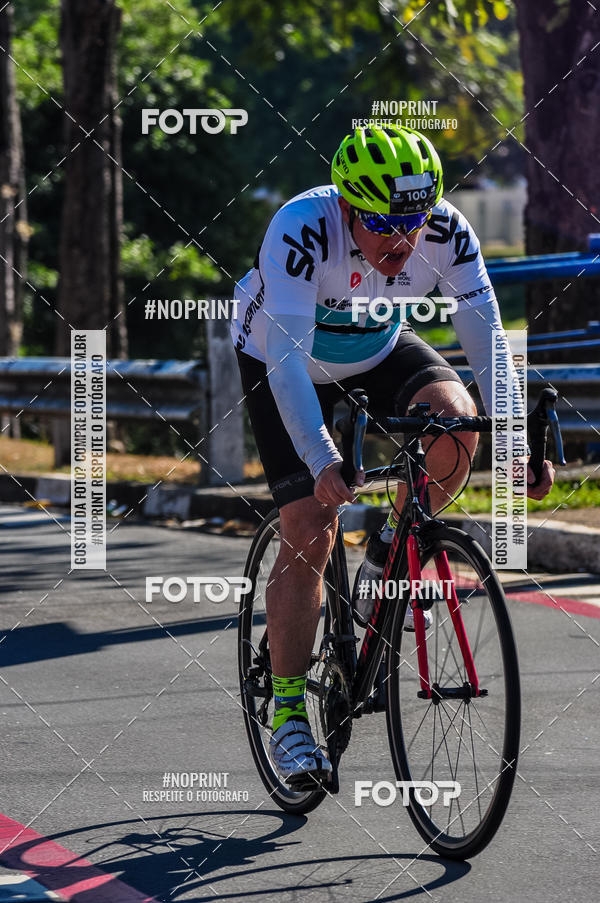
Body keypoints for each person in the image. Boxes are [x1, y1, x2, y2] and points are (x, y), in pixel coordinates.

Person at [230, 125, 554, 785]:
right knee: (309, 526)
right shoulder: (302, 226)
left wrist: (518, 447)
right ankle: (290, 713)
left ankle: (390, 549)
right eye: (384, 225)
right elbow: (289, 358)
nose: (402, 242)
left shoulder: (447, 231)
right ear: (347, 205)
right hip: (281, 357)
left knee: (459, 425)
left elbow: (488, 339)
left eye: (414, 222)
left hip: (374, 347)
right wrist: (322, 458)